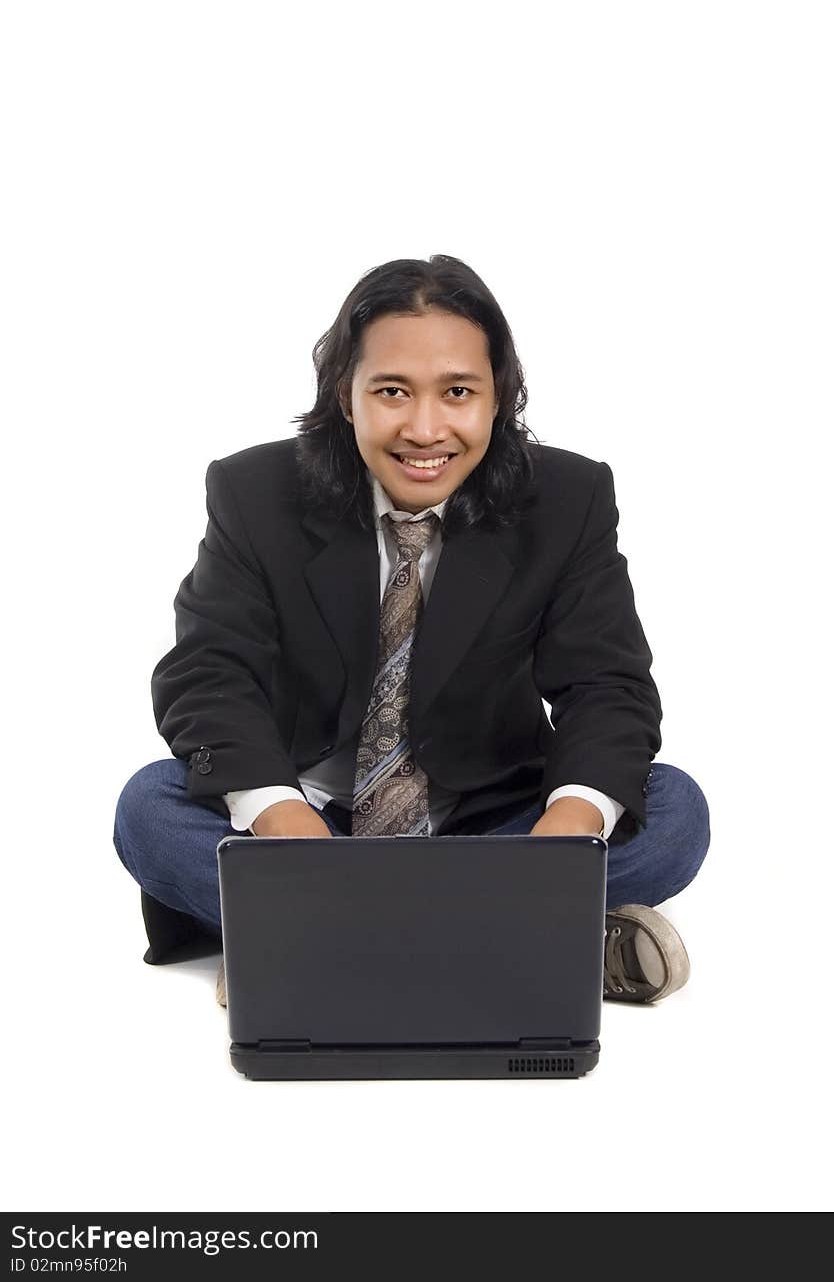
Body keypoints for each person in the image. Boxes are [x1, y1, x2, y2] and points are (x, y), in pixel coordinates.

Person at [114, 254, 710, 1009]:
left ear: (499, 398)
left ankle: (304, 945)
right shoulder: (253, 492)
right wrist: (288, 824)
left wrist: (559, 841)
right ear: (347, 395)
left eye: (458, 392)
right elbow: (209, 673)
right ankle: (539, 943)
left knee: (675, 808)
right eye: (392, 391)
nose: (424, 428)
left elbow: (607, 688)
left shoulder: (567, 499)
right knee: (150, 807)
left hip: (490, 821)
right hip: (311, 823)